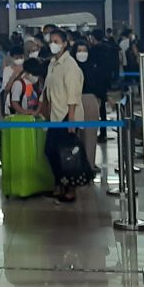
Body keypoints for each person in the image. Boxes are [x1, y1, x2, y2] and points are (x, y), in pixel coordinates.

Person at [43, 28, 85, 204]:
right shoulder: (53, 63)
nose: (53, 44)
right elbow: (48, 88)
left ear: (65, 44)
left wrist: (71, 120)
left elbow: (73, 94)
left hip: (66, 115)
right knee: (51, 151)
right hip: (55, 115)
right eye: (51, 41)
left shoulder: (70, 65)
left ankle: (70, 189)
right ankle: (60, 185)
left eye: (57, 41)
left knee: (67, 155)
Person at [72, 39, 103, 171]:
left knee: (90, 135)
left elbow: (100, 84)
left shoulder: (94, 65)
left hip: (90, 99)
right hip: (74, 100)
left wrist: (99, 99)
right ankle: (77, 163)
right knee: (76, 135)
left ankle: (89, 164)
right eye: (79, 51)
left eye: (84, 50)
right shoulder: (71, 67)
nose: (82, 53)